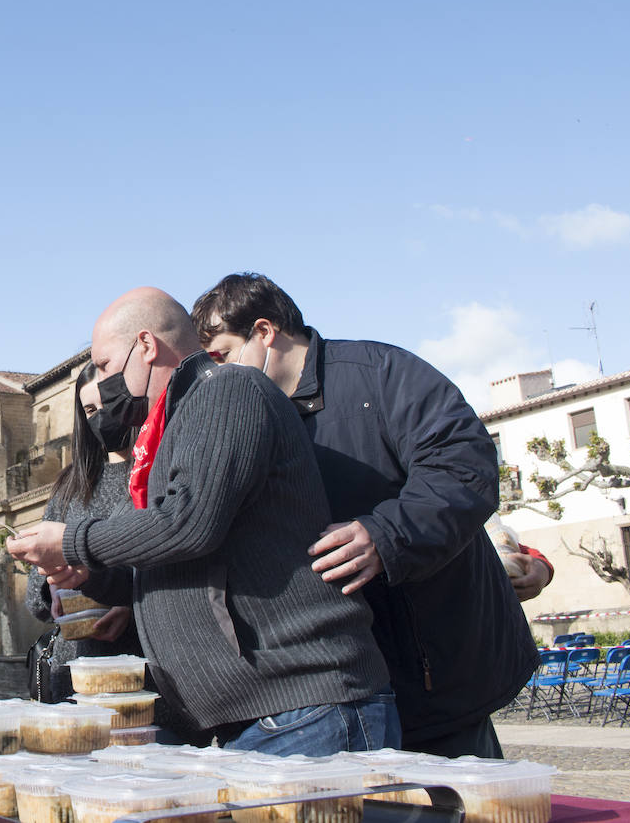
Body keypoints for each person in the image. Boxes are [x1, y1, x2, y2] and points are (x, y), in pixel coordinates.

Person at [8, 287, 396, 757]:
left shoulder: (226, 390)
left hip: (305, 711)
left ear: (147, 347)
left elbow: (189, 523)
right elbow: (183, 557)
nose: (104, 384)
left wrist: (73, 541)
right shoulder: (177, 423)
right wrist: (97, 578)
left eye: (107, 365)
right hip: (268, 718)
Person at [190, 272, 540, 758]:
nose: (219, 375)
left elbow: (463, 464)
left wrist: (386, 535)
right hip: (340, 687)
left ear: (265, 333)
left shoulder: (382, 372)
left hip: (437, 666)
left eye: (224, 355)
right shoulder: (247, 417)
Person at [23, 364, 141, 702]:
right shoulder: (69, 486)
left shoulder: (154, 471)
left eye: (108, 405)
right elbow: (35, 600)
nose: (101, 418)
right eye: (90, 410)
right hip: (71, 677)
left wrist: (133, 607)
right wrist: (53, 586)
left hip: (142, 679)